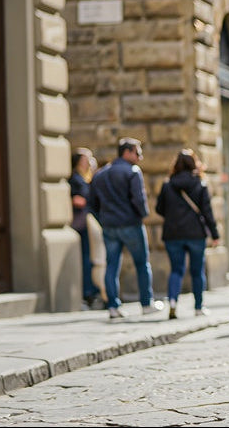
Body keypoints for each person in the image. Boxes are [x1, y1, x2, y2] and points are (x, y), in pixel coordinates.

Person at [87, 137, 164, 320]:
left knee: (111, 266)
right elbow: (139, 199)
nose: (140, 157)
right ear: (126, 152)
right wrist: (142, 215)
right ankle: (146, 303)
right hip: (131, 224)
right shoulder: (132, 171)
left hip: (110, 226)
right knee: (142, 264)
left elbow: (92, 204)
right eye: (137, 152)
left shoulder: (100, 174)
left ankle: (113, 307)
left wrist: (103, 219)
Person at [155, 149, 220, 319]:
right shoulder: (200, 183)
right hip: (195, 234)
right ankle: (198, 307)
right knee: (197, 271)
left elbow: (159, 209)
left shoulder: (167, 184)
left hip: (173, 234)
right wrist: (214, 234)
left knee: (176, 270)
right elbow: (207, 211)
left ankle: (173, 302)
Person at [70, 148, 103, 310]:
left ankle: (94, 291)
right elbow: (77, 200)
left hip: (90, 223)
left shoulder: (88, 177)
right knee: (87, 257)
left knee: (94, 257)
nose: (90, 162)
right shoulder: (75, 179)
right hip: (82, 224)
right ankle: (88, 293)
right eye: (86, 159)